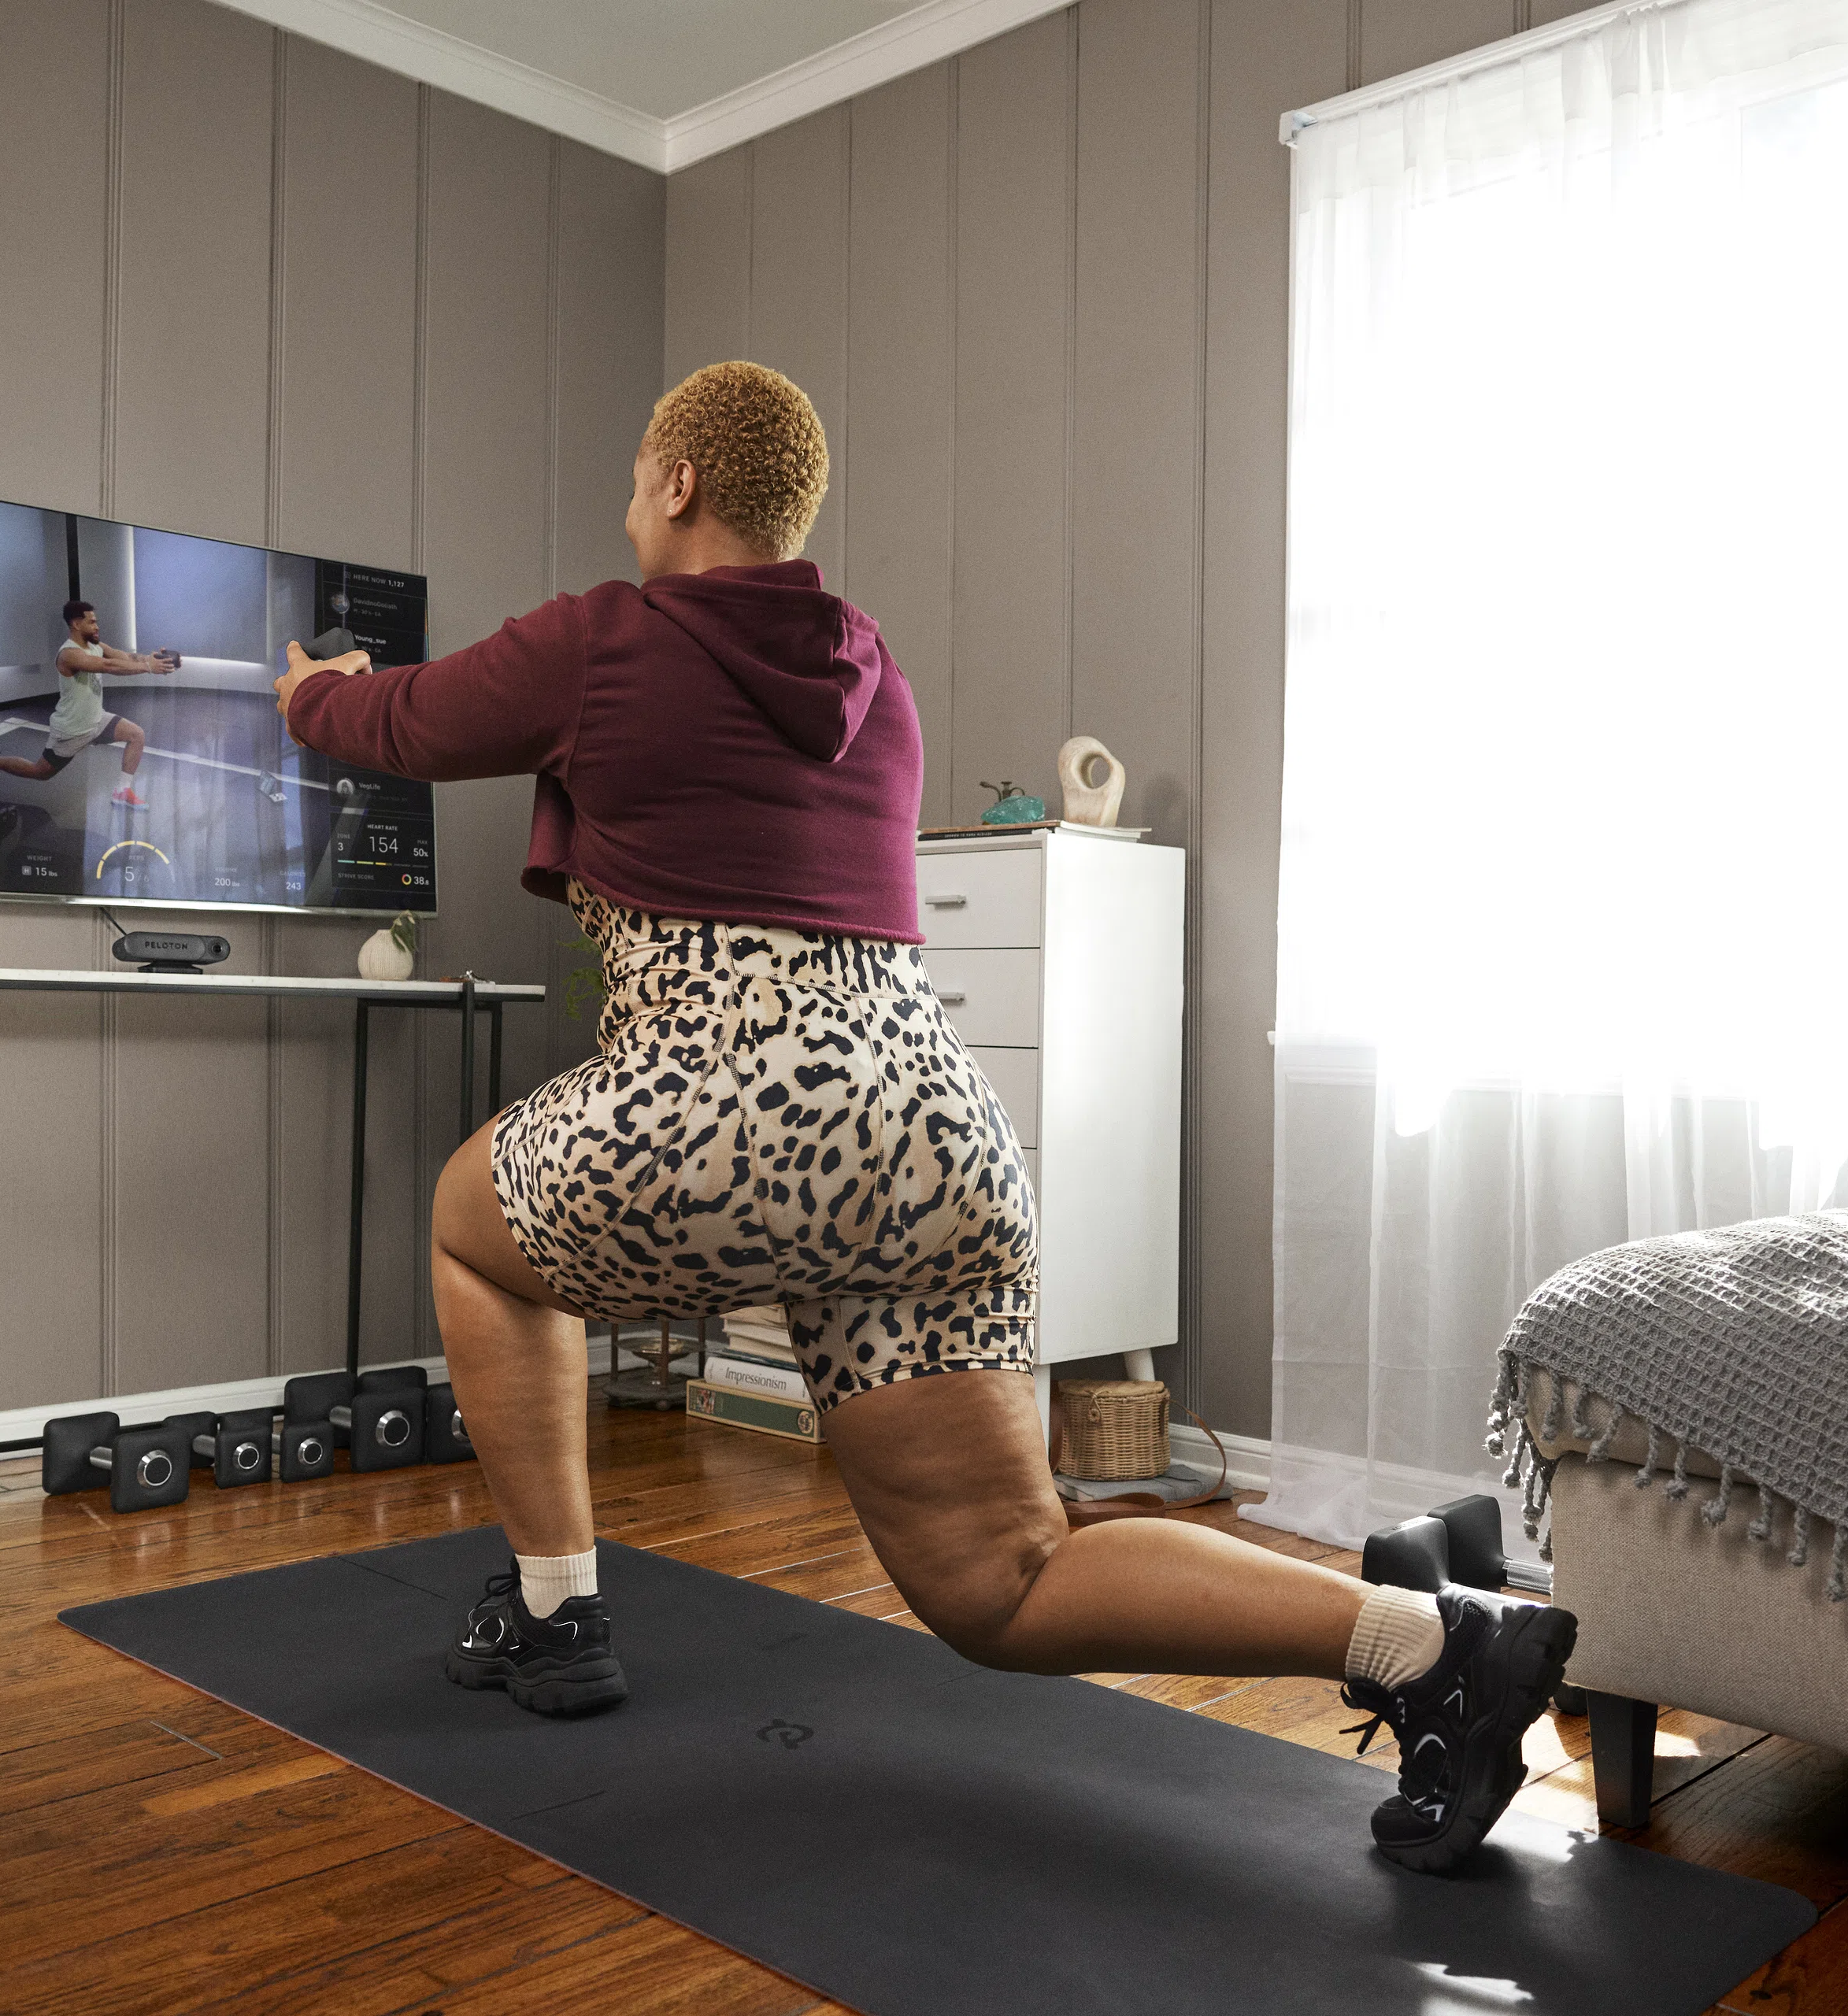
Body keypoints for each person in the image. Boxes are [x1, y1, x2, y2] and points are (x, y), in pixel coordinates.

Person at [274, 361, 1576, 1874]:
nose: (628, 501)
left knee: (468, 1225)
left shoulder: (603, 636)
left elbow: (407, 723)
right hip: (937, 1129)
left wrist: (308, 686)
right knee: (1005, 1581)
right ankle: (1436, 1645)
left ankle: (561, 1610)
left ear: (683, 483)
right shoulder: (868, 663)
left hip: (724, 1101)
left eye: (640, 473)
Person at [0, 598, 181, 808]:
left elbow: (123, 657)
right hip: (72, 729)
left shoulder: (96, 645)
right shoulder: (69, 655)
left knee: (136, 735)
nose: (97, 626)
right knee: (40, 772)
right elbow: (108, 666)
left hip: (97, 719)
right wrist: (148, 667)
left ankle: (122, 791)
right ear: (76, 624)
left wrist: (151, 659)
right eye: (92, 622)